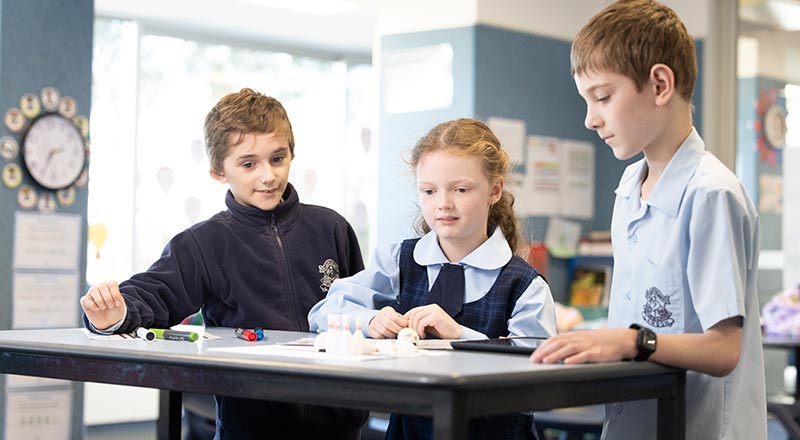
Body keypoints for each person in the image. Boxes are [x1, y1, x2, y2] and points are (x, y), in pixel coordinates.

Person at [530, 1, 767, 439]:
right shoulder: (629, 187)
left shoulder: (711, 193)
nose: (590, 118)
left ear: (660, 84)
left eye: (602, 97)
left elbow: (723, 349)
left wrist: (628, 341)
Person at [79, 88, 368, 439]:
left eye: (277, 159)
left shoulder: (332, 228)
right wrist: (114, 315)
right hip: (250, 430)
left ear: (292, 153)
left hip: (340, 430)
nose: (268, 176)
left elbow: (363, 308)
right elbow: (154, 294)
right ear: (219, 171)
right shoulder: (203, 243)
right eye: (248, 164)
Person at [309, 118, 557, 439]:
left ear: (495, 190)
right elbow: (322, 314)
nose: (443, 203)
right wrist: (369, 321)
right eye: (429, 190)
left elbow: (540, 378)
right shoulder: (397, 261)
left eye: (461, 189)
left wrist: (461, 337)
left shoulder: (525, 285)